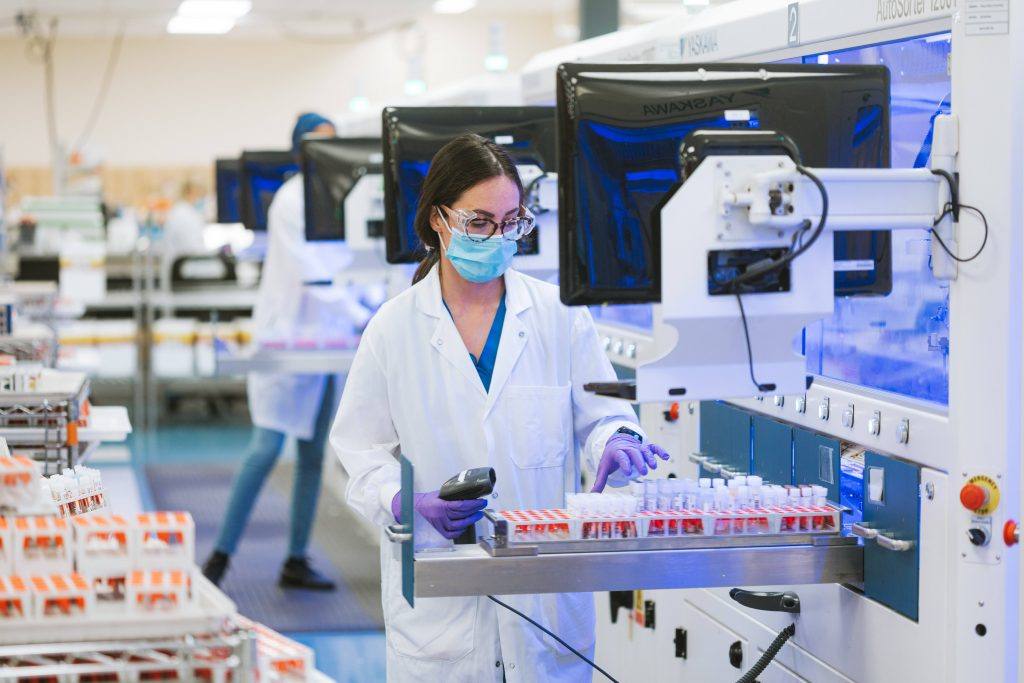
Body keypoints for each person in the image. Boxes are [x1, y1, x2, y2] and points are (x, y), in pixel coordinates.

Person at [331, 133, 671, 681]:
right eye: (480, 222)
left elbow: (601, 411)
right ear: (439, 219)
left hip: (543, 603)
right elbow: (360, 448)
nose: (497, 237)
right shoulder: (394, 329)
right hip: (442, 610)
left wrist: (617, 440)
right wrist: (406, 502)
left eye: (511, 222)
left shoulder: (558, 314)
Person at [202, 112, 362, 590]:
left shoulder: (340, 199)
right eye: (316, 145)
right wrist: (363, 313)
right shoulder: (291, 201)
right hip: (287, 339)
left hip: (328, 341)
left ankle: (296, 558)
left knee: (314, 453)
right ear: (298, 151)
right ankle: (219, 558)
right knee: (265, 449)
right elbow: (314, 273)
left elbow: (351, 261)